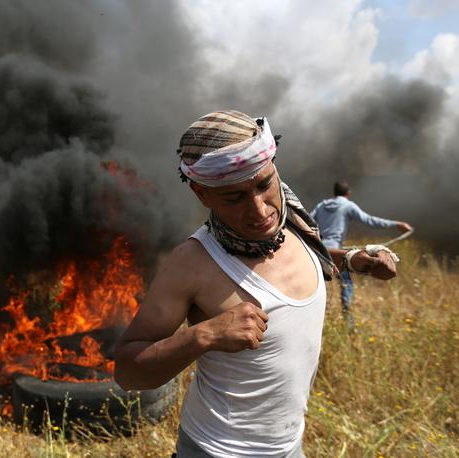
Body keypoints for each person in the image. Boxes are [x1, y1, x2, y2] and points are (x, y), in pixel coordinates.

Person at [114, 110, 399, 457]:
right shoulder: (192, 263)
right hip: (217, 451)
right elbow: (128, 371)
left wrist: (355, 259)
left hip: (290, 447)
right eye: (234, 198)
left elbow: (311, 258)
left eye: (264, 185)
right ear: (203, 194)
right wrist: (204, 335)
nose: (260, 210)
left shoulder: (292, 224)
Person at [310, 181, 412, 328]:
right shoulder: (347, 205)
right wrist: (397, 225)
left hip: (319, 251)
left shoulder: (321, 206)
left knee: (317, 286)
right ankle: (349, 324)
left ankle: (317, 321)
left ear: (334, 192)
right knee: (346, 285)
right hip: (337, 253)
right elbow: (370, 221)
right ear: (348, 193)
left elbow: (307, 221)